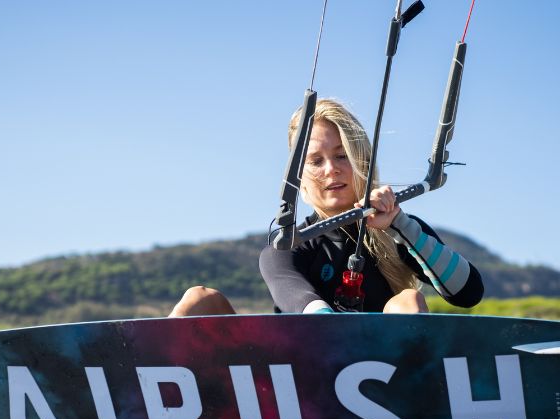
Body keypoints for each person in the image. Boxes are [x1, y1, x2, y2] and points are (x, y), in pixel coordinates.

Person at [170, 98, 483, 317]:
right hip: (299, 380)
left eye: (342, 155)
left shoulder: (400, 230)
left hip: (384, 377)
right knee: (200, 300)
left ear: (362, 159)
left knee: (407, 300)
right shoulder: (286, 247)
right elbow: (311, 313)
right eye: (316, 161)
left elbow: (468, 294)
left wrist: (398, 223)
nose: (331, 170)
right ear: (300, 179)